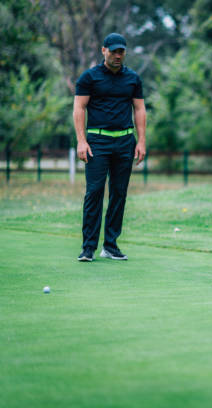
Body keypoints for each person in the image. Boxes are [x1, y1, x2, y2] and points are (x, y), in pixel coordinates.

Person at [73, 33, 146, 262]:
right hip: (98, 142)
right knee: (94, 192)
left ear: (124, 52)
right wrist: (81, 140)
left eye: (121, 51)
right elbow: (79, 109)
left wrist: (141, 140)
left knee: (119, 193)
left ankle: (111, 245)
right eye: (113, 51)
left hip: (125, 141)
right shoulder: (89, 78)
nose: (117, 55)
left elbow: (140, 110)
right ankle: (88, 248)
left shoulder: (133, 79)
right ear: (103, 50)